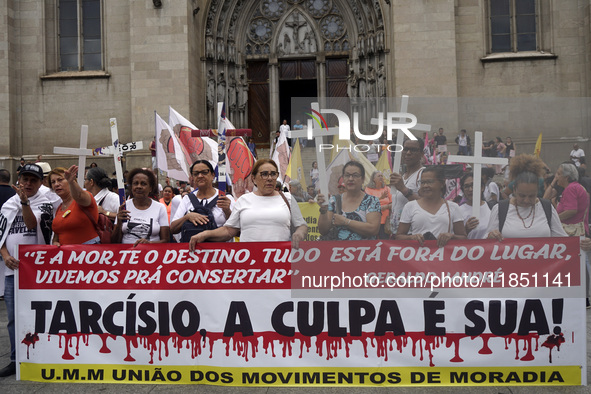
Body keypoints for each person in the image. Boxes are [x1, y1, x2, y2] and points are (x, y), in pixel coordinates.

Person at [0, 164, 52, 377]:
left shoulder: (45, 203)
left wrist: (24, 202)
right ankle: (16, 358)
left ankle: (44, 355)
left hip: (38, 272)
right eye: (25, 179)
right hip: (14, 272)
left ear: (40, 183)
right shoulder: (7, 205)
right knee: (14, 318)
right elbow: (1, 235)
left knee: (41, 316)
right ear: (19, 180)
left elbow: (31, 225)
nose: (28, 184)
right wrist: (4, 256)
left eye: (33, 180)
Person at [188, 159, 307, 249]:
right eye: (264, 174)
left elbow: (301, 226)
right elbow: (229, 231)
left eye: (273, 174)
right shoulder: (243, 200)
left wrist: (299, 233)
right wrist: (205, 234)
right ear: (254, 178)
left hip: (280, 261)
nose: (269, 178)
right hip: (249, 262)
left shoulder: (287, 198)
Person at [487, 155, 567, 239]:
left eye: (532, 196)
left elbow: (562, 239)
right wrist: (491, 236)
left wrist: (580, 245)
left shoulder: (547, 207)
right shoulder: (500, 209)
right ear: (514, 189)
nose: (526, 200)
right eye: (522, 195)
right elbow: (486, 242)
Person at [396, 166, 467, 247]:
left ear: (442, 183)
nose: (425, 185)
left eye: (430, 182)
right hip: (417, 257)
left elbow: (463, 238)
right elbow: (399, 236)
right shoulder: (410, 206)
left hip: (444, 257)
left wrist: (451, 236)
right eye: (422, 182)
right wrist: (411, 237)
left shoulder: (453, 207)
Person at [171, 160, 235, 241]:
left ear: (213, 175)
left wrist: (227, 211)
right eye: (196, 173)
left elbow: (236, 228)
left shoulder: (225, 198)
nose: (200, 176)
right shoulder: (187, 199)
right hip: (193, 251)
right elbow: (173, 228)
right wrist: (187, 217)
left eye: (204, 172)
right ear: (193, 178)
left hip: (221, 251)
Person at [317, 161, 381, 240]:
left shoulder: (372, 201)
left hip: (365, 251)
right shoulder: (334, 200)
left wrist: (345, 222)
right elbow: (323, 231)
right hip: (338, 251)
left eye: (355, 175)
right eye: (347, 175)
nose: (350, 179)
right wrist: (323, 210)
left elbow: (373, 229)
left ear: (363, 179)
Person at [112, 168, 170, 245]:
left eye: (143, 184)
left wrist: (149, 243)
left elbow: (166, 240)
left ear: (151, 188)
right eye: (135, 183)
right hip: (126, 254)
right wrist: (119, 223)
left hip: (151, 254)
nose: (139, 186)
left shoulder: (160, 208)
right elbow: (113, 242)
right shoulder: (124, 207)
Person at [49, 166, 100, 245]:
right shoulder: (59, 208)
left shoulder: (84, 198)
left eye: (60, 180)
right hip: (67, 255)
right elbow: (57, 236)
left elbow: (78, 195)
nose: (56, 184)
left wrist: (71, 182)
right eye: (53, 182)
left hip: (88, 253)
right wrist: (55, 242)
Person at [389, 138, 425, 235]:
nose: (408, 153)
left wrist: (403, 189)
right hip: (396, 234)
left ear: (421, 153)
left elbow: (428, 205)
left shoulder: (424, 174)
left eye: (413, 150)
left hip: (413, 235)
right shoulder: (402, 176)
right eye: (405, 149)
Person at [552, 163, 590, 236]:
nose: (556, 177)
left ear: (566, 177)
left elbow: (571, 211)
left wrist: (554, 219)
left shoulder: (570, 189)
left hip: (573, 232)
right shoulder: (577, 187)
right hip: (580, 230)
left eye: (559, 174)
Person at [458, 172, 491, 239]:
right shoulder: (459, 211)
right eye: (466, 186)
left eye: (473, 185)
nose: (470, 189)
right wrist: (466, 230)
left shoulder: (492, 207)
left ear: (482, 188)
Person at [365, 171, 392, 239]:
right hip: (373, 220)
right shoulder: (368, 189)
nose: (381, 177)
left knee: (384, 240)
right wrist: (381, 199)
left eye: (381, 176)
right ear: (373, 179)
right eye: (379, 176)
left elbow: (392, 203)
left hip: (385, 221)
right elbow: (368, 203)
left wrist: (387, 206)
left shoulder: (387, 189)